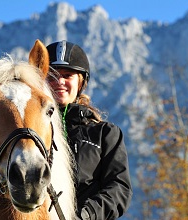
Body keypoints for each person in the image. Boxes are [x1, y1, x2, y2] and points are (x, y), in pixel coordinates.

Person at [46, 40, 132, 219]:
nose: (59, 81)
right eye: (52, 76)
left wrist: (86, 215)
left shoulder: (105, 134)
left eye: (68, 75)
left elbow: (119, 188)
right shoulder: (31, 133)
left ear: (80, 82)